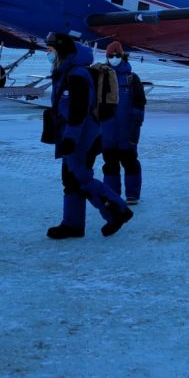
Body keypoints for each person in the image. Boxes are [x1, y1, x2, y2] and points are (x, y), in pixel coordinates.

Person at [44, 33, 134, 240]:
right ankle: (72, 225)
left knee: (81, 178)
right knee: (71, 180)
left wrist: (70, 139)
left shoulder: (77, 75)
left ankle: (118, 211)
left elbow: (79, 112)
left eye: (50, 50)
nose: (47, 54)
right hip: (73, 135)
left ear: (62, 51)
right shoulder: (65, 72)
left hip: (81, 138)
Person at [100, 41, 146, 206]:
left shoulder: (132, 79)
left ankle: (132, 195)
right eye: (110, 56)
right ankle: (112, 195)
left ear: (123, 56)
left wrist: (135, 126)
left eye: (117, 55)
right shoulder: (101, 77)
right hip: (107, 131)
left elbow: (139, 105)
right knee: (110, 164)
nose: (114, 58)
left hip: (127, 131)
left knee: (130, 162)